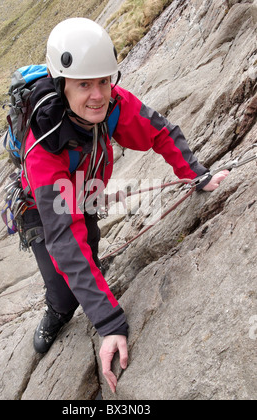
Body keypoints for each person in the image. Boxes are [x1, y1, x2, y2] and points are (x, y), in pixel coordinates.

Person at [20, 17, 229, 393]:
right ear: (61, 84)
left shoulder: (112, 103)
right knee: (66, 286)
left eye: (104, 80)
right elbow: (64, 238)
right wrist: (110, 323)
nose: (99, 94)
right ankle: (56, 310)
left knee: (90, 251)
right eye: (85, 84)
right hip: (43, 207)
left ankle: (85, 287)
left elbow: (160, 131)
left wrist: (197, 174)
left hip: (84, 193)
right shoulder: (44, 145)